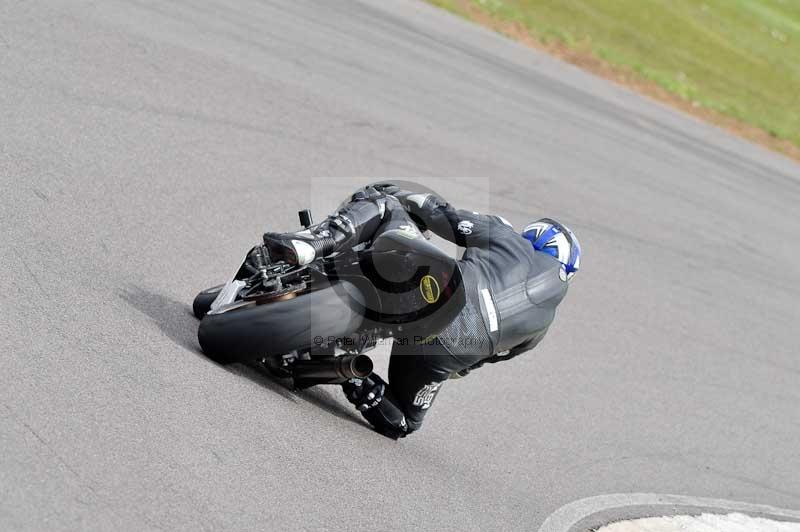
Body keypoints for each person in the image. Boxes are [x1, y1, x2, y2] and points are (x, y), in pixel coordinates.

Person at [262, 184, 580, 439]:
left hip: (431, 296)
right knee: (404, 421)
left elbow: (443, 216)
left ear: (536, 238)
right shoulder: (542, 327)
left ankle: (314, 243)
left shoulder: (508, 237)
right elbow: (484, 360)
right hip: (446, 355)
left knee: (385, 203)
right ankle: (349, 371)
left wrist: (402, 196)